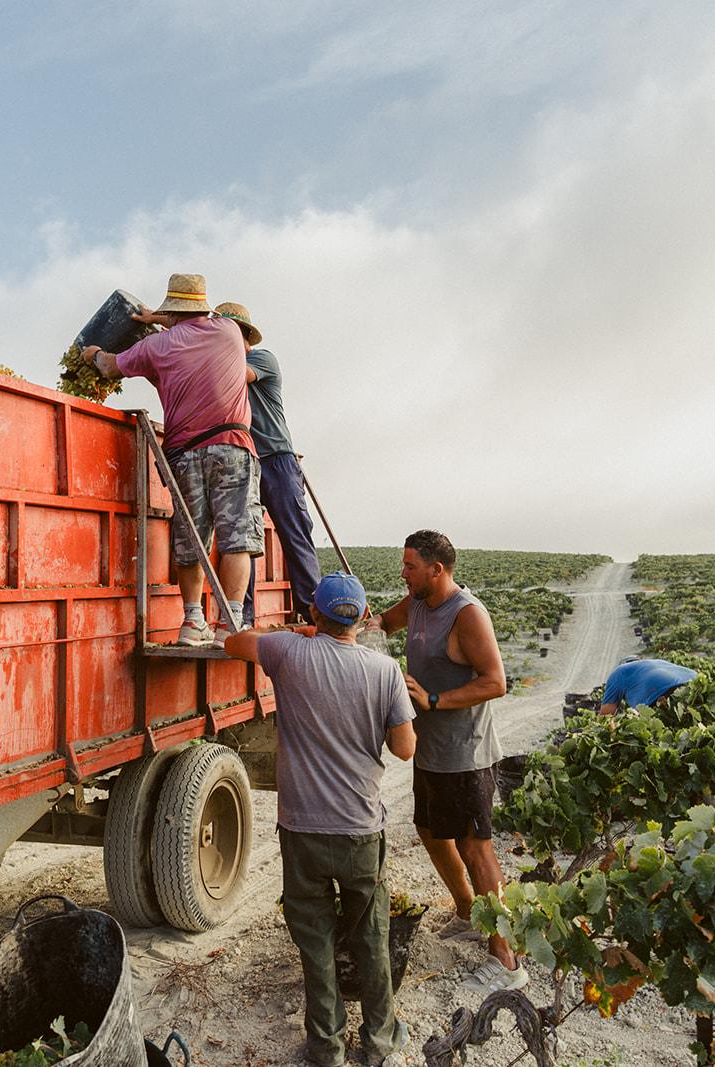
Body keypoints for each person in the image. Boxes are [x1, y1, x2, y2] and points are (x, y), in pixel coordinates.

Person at [224, 573, 416, 1067]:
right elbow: (404, 748)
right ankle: (378, 1041)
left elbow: (232, 641)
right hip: (360, 828)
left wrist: (302, 635)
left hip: (302, 829)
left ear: (315, 614)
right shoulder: (384, 670)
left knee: (315, 940)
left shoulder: (289, 653)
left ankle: (326, 1047)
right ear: (363, 615)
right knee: (371, 937)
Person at [364, 529, 526, 994]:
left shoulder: (467, 615)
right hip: (430, 747)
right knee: (432, 832)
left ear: (437, 569)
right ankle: (466, 912)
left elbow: (496, 682)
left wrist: (434, 698)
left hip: (466, 751)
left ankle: (507, 959)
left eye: (410, 565)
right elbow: (381, 626)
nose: (403, 572)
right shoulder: (415, 601)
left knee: (476, 845)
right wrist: (350, 628)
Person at [84, 273, 262, 647]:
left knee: (191, 540)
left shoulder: (157, 348)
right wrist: (159, 319)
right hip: (231, 445)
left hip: (183, 454)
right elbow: (195, 326)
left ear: (172, 310)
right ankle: (230, 623)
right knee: (237, 539)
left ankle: (192, 622)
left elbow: (110, 368)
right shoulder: (229, 331)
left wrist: (93, 354)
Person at [211, 301, 321, 628]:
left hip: (277, 460)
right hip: (245, 462)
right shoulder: (218, 367)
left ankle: (311, 613)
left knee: (294, 535)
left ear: (240, 334)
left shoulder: (261, 359)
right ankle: (241, 617)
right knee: (243, 540)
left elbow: (236, 375)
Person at [598, 656, 697, 715]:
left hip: (659, 689)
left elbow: (606, 715)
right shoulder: (655, 662)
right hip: (694, 682)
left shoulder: (619, 672)